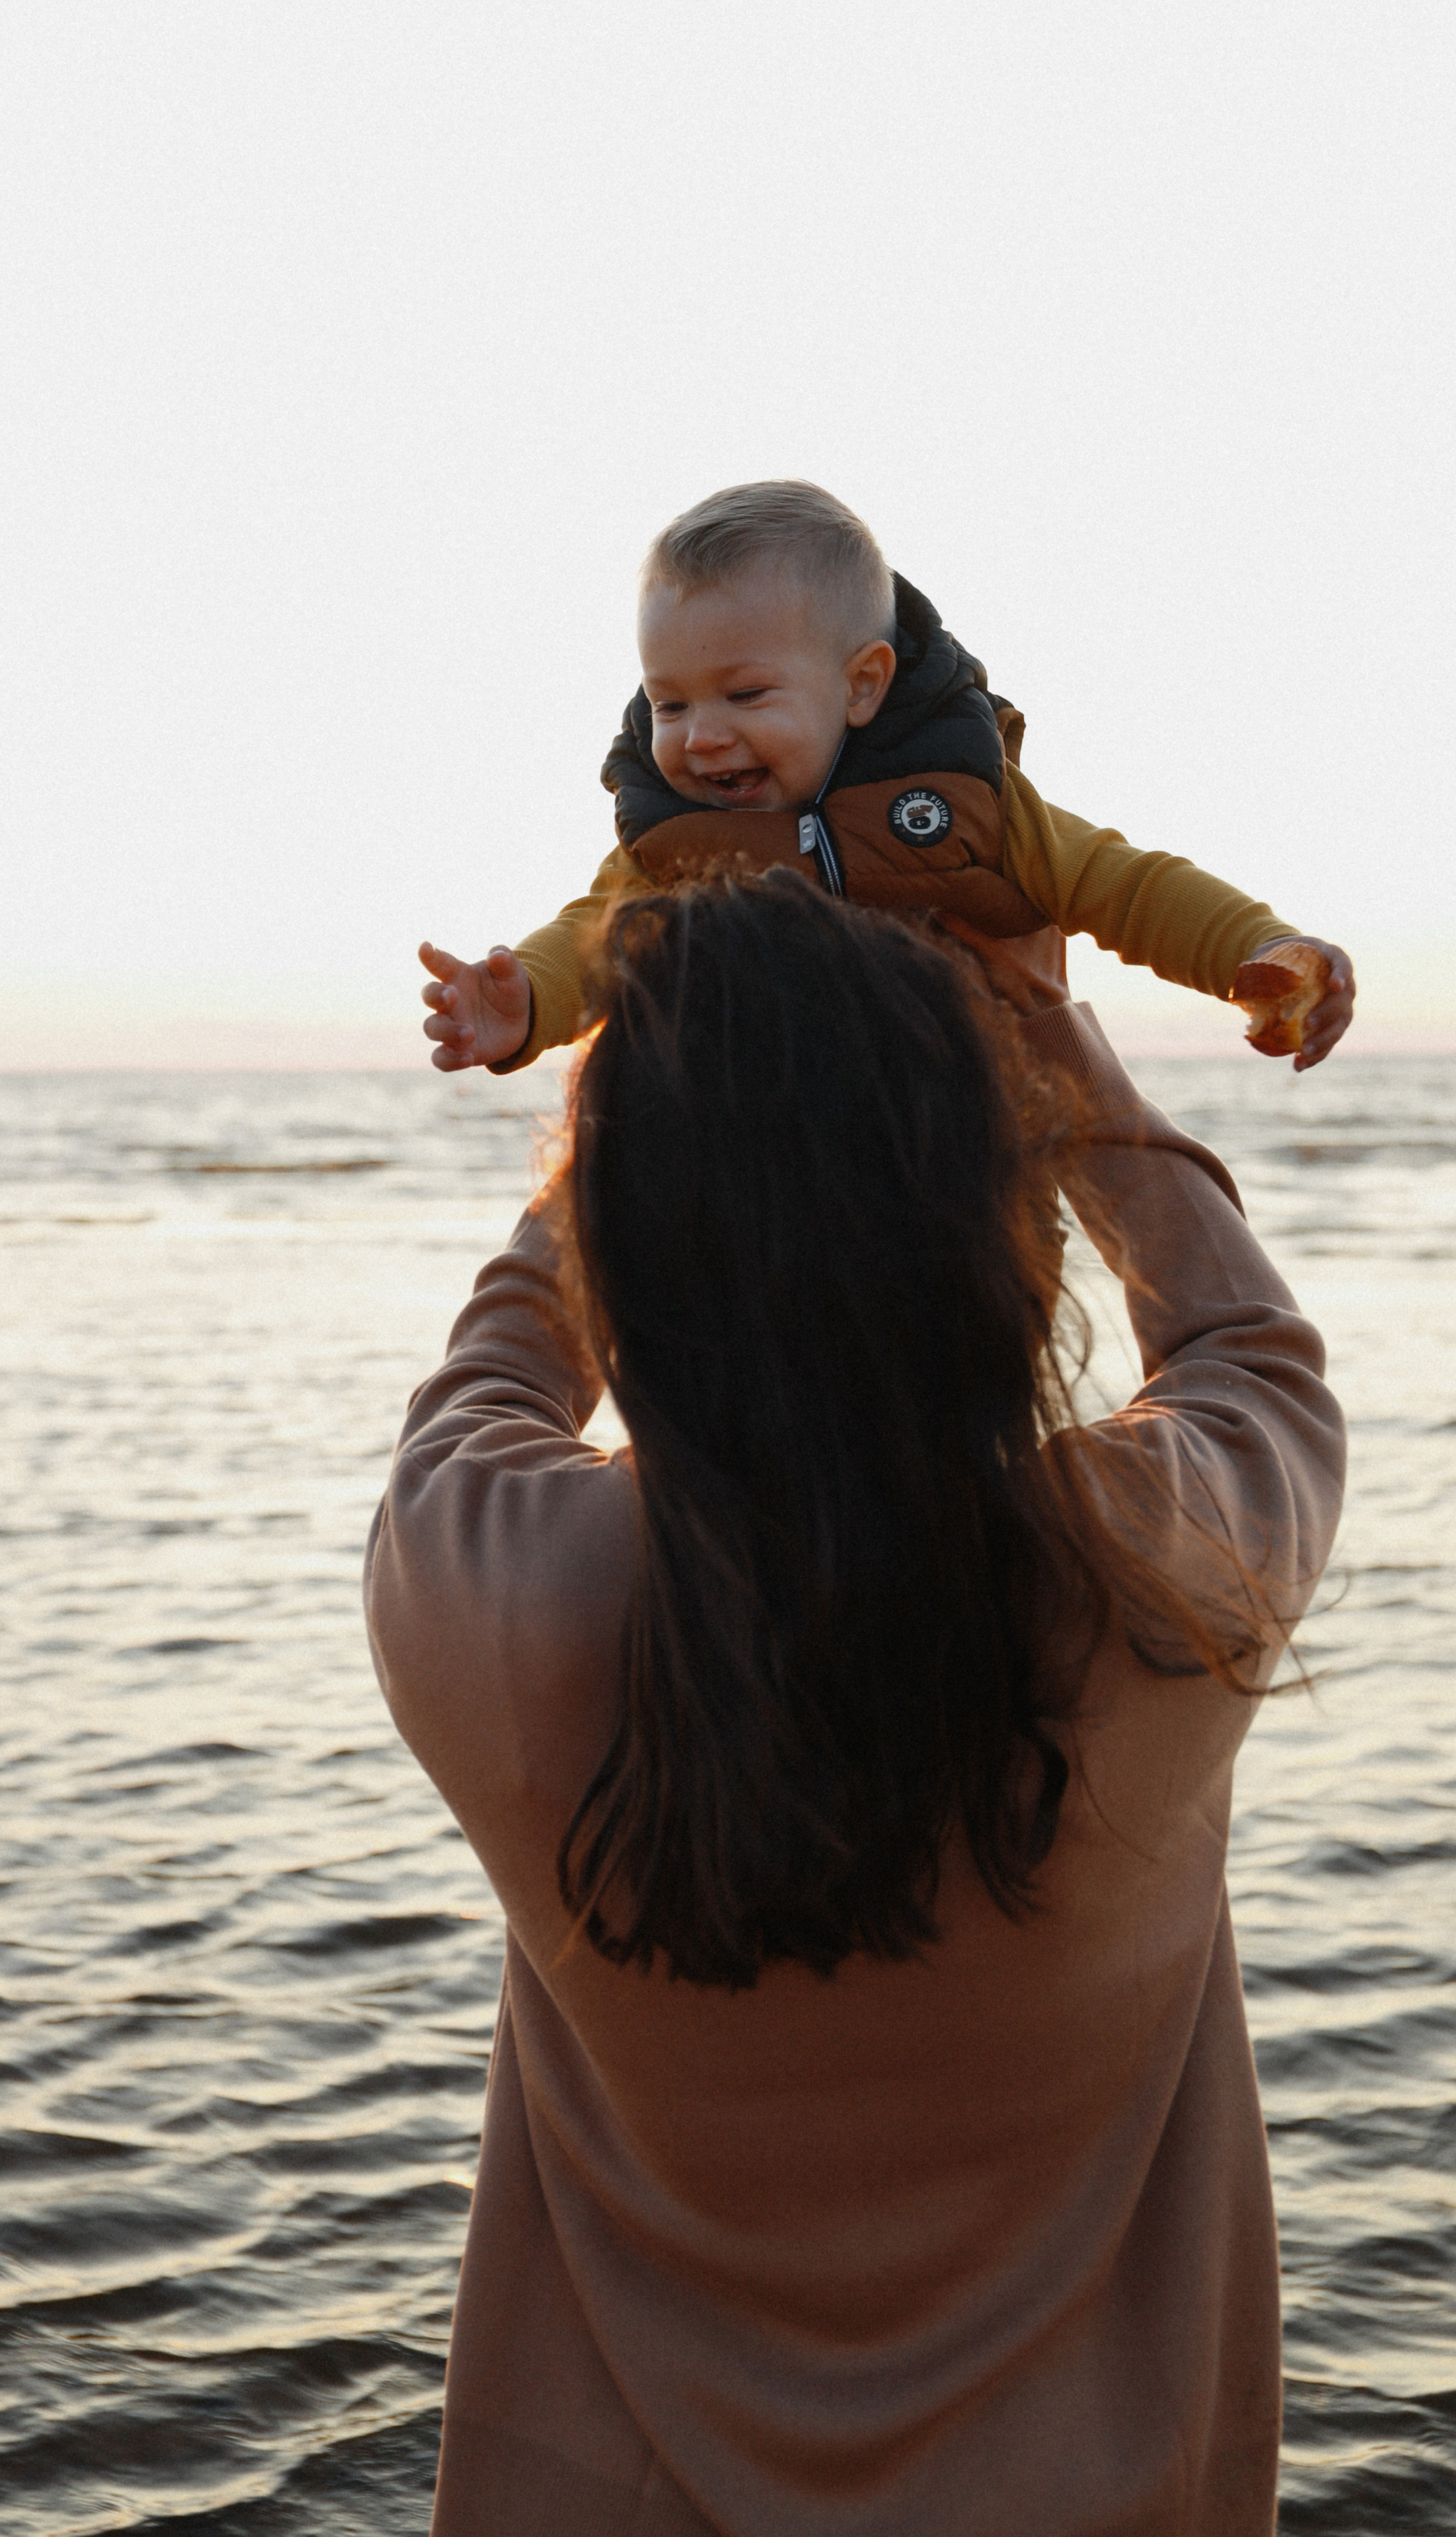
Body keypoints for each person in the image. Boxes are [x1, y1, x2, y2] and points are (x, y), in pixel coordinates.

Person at [365, 875, 1346, 2535]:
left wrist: (617, 1130)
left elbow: (503, 1363)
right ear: (1001, 1228)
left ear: (626, 1229)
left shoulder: (485, 1591)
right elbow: (1248, 1348)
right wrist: (1049, 1043)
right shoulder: (1159, 1576)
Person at [416, 480, 1355, 1078]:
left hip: (967, 1154)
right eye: (667, 706)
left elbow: (1126, 885)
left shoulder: (962, 806)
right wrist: (528, 1003)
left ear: (862, 683)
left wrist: (1263, 949)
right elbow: (599, 934)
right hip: (771, 1157)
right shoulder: (678, 842)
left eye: (744, 695)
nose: (702, 739)